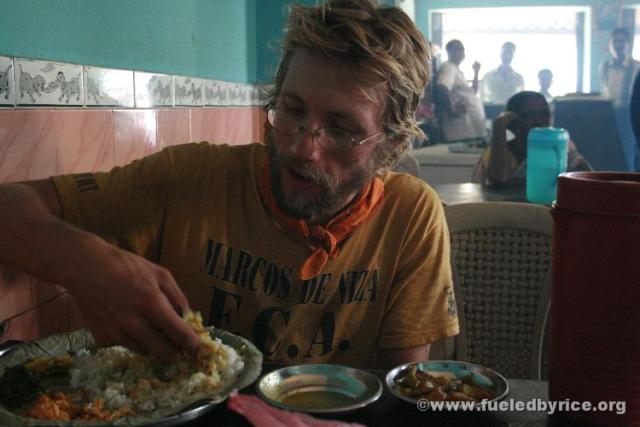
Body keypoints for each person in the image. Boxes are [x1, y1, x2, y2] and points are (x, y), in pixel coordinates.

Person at [0, 0, 458, 369]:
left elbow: (396, 395)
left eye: (340, 128)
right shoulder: (192, 178)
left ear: (391, 143)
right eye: (292, 111)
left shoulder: (409, 216)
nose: (303, 148)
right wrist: (86, 264)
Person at [472, 91, 591, 185]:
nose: (538, 120)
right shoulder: (504, 150)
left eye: (543, 114)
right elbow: (499, 180)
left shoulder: (559, 148)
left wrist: (568, 153)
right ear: (513, 122)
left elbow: (589, 181)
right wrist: (499, 127)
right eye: (528, 115)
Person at [435, 39, 486, 142]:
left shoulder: (457, 70)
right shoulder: (449, 68)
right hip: (460, 132)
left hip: (470, 132)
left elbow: (472, 92)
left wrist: (476, 72)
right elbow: (442, 87)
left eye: (463, 50)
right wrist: (452, 110)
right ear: (449, 52)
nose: (461, 53)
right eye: (457, 49)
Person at [599, 27, 640, 108]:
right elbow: (605, 92)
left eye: (622, 41)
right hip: (609, 112)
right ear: (610, 45)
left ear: (629, 44)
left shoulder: (637, 67)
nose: (618, 45)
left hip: (631, 113)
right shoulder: (603, 67)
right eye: (615, 41)